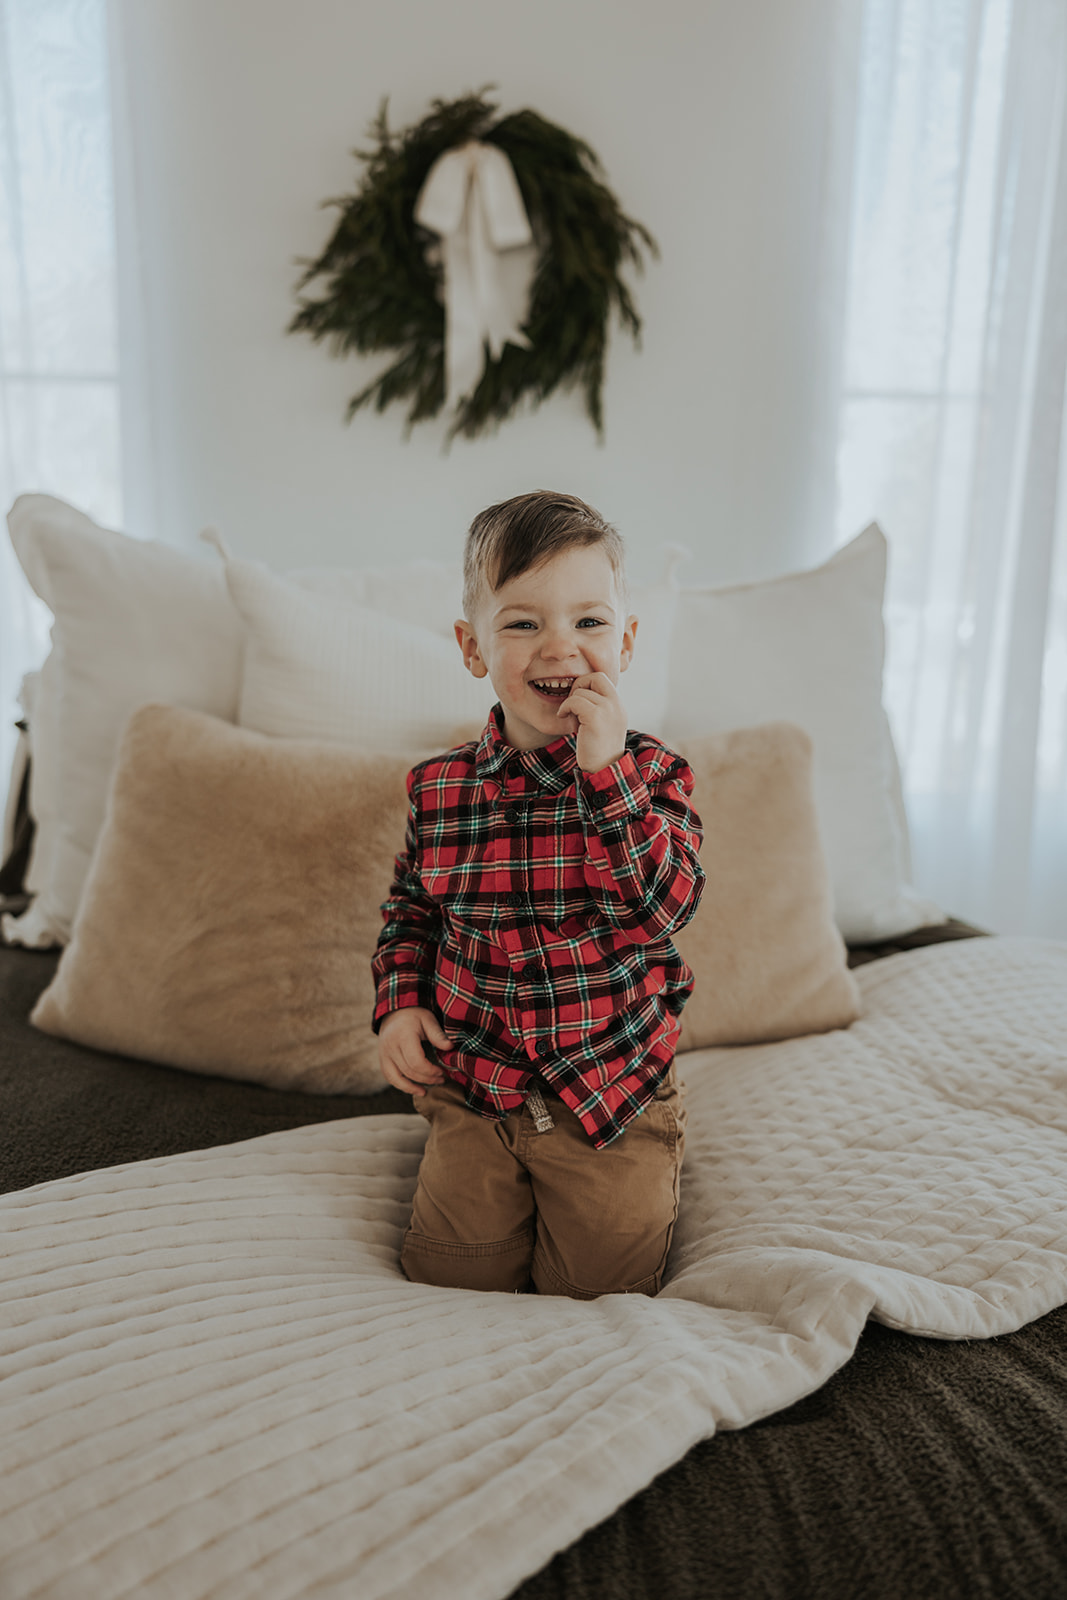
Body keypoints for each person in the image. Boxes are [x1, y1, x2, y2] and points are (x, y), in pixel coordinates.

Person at [372, 490, 705, 1298]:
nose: (560, 648)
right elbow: (411, 911)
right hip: (476, 1088)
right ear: (471, 647)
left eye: (588, 623)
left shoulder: (653, 776)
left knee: (599, 1292)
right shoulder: (438, 787)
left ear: (624, 641)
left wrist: (605, 778)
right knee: (450, 1282)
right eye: (522, 623)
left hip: (610, 1090)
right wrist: (400, 1002)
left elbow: (662, 909)